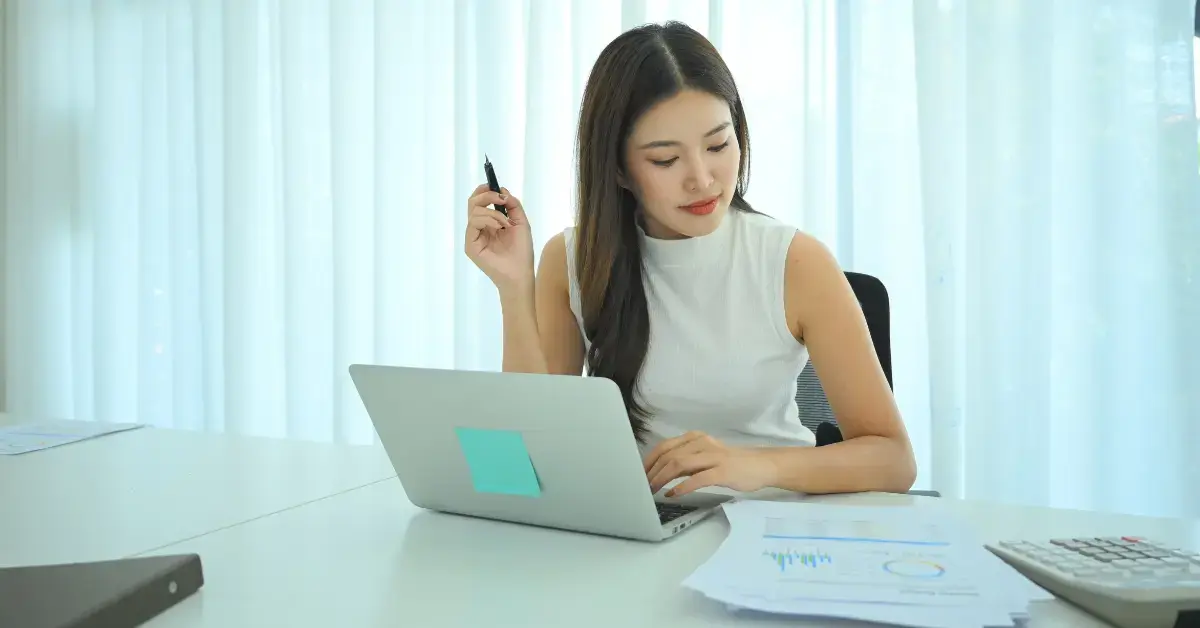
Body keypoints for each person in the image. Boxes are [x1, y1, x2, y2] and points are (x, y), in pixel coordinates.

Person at [463, 21, 917, 498]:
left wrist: (753, 465)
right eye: (665, 160)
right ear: (617, 168)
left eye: (719, 145)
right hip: (643, 532)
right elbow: (532, 455)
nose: (702, 179)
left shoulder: (794, 262)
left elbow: (893, 458)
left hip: (769, 525)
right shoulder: (574, 260)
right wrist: (513, 290)